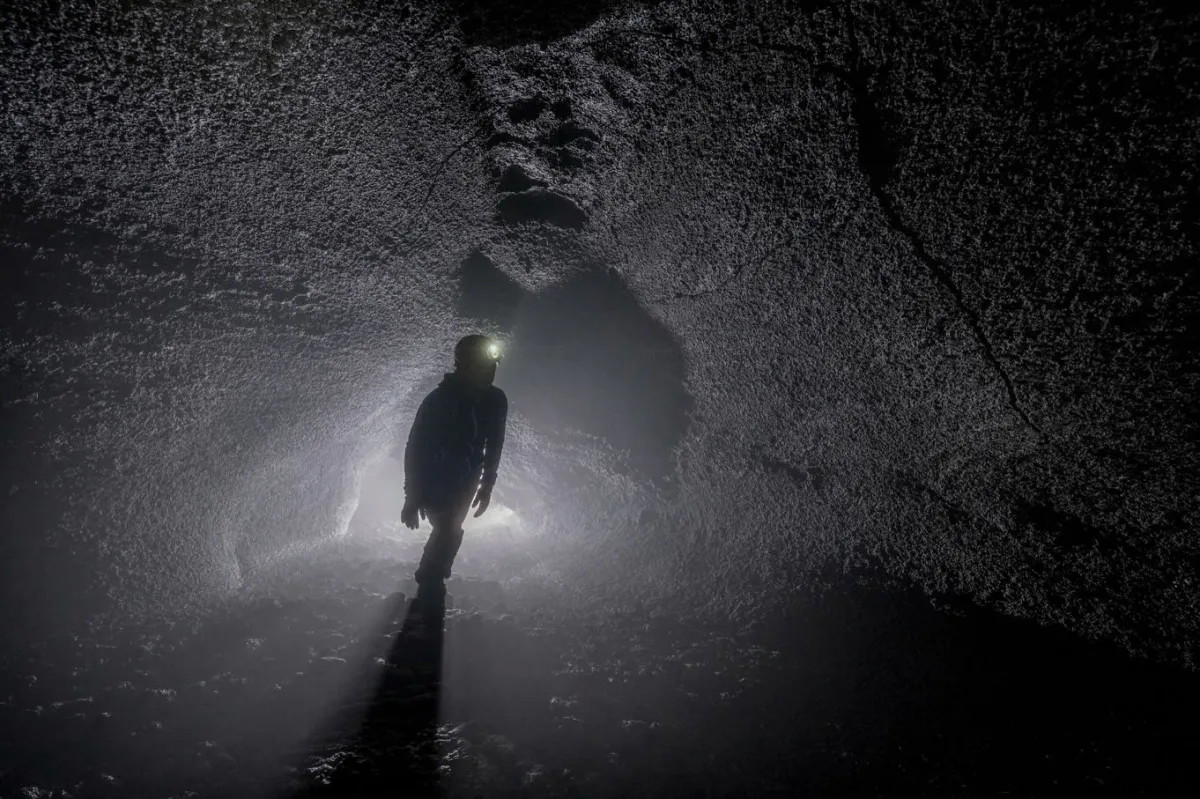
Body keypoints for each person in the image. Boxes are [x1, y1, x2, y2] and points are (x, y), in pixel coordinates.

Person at [400, 334, 508, 616]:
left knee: (450, 529)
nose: (490, 373)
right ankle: (429, 582)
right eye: (483, 366)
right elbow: (416, 448)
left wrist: (487, 483)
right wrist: (413, 496)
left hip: (467, 477)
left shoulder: (495, 400)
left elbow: (495, 443)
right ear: (464, 365)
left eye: (492, 367)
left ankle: (431, 582)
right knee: (447, 528)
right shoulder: (439, 401)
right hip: (436, 477)